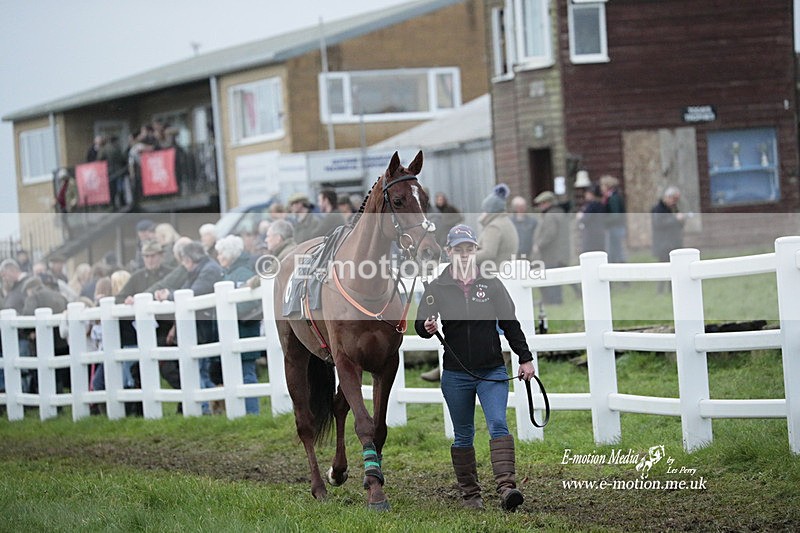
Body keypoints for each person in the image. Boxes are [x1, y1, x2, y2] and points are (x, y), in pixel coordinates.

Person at [414, 224, 536, 511]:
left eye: (469, 249)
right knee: (463, 434)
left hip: (491, 370)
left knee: (498, 424)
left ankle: (507, 489)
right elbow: (420, 323)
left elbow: (510, 323)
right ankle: (471, 495)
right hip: (456, 373)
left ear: (475, 251)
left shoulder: (491, 284)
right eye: (459, 250)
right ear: (449, 252)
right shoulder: (437, 287)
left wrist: (525, 358)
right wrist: (427, 327)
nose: (465, 255)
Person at [215, 235, 263, 415]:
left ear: (228, 254)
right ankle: (244, 413)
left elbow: (249, 303)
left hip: (244, 330)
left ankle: (252, 412)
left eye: (220, 253)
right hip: (236, 330)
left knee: (246, 373)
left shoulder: (241, 273)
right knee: (239, 373)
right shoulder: (230, 273)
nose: (218, 257)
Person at [531, 191, 570, 305]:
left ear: (548, 203)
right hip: (558, 252)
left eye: (542, 203)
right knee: (557, 276)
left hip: (551, 253)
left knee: (551, 277)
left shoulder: (550, 215)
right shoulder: (559, 213)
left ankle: (553, 301)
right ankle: (554, 300)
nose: (540, 206)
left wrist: (539, 244)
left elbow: (549, 233)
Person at [651, 185, 687, 293]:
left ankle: (673, 290)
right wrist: (675, 219)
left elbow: (679, 225)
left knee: (675, 268)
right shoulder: (658, 209)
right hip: (663, 243)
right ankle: (660, 291)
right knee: (663, 268)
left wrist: (681, 220)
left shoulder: (674, 208)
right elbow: (659, 224)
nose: (675, 202)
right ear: (667, 197)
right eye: (673, 199)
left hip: (674, 242)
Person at [476, 184, 518, 270]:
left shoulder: (494, 227)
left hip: (494, 272)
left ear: (490, 211)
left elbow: (488, 252)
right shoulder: (506, 222)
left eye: (484, 210)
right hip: (505, 271)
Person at [600, 175, 627, 263]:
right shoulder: (611, 196)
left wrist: (603, 221)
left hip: (615, 227)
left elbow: (615, 215)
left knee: (617, 249)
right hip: (615, 227)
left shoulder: (613, 198)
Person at [577, 184, 606, 254]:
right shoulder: (600, 204)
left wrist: (580, 217)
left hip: (591, 233)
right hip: (599, 232)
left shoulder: (592, 205)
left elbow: (586, 219)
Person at [509, 196, 537, 260]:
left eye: (523, 206)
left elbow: (537, 236)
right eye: (519, 206)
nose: (521, 208)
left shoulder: (532, 221)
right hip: (514, 256)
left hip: (529, 255)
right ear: (515, 208)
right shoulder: (510, 222)